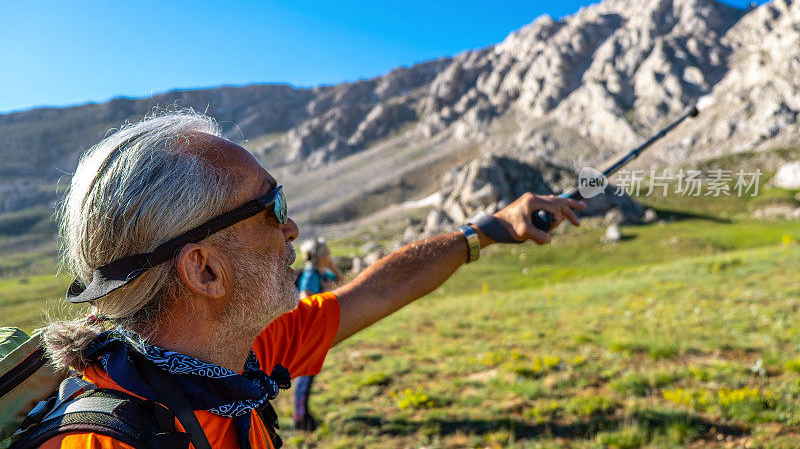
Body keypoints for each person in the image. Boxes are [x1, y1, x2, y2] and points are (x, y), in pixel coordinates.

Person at [36, 110, 584, 448]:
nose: (291, 226)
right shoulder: (96, 443)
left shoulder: (240, 354)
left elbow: (381, 289)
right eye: (272, 207)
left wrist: (487, 231)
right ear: (205, 269)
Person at [292, 238, 342, 431]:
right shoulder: (311, 274)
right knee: (306, 372)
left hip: (318, 328)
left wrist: (332, 266)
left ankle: (303, 414)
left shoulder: (323, 273)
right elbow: (305, 298)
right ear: (320, 255)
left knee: (310, 372)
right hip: (309, 330)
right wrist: (324, 298)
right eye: (327, 252)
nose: (330, 254)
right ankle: (300, 418)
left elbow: (341, 280)